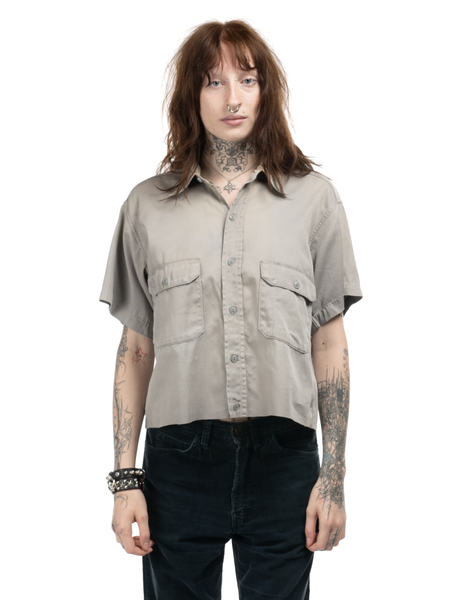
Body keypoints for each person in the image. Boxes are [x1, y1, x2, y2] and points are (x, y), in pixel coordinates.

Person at [99, 19, 363, 600]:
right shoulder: (146, 207)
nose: (233, 98)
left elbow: (329, 342)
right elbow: (136, 349)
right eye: (214, 82)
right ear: (192, 96)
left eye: (247, 79)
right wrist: (124, 480)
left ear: (267, 90)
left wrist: (334, 476)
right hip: (178, 463)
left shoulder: (315, 201)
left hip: (284, 459)